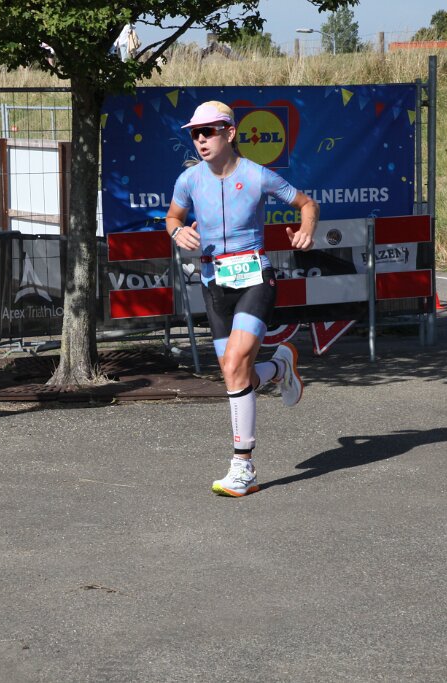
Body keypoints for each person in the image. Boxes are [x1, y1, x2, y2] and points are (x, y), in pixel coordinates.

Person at [165, 101, 319, 497]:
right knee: (237, 375)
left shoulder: (257, 175)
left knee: (234, 365)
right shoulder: (189, 180)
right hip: (214, 283)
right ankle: (280, 368)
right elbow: (173, 217)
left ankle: (243, 466)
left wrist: (306, 229)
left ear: (230, 133)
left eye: (208, 131)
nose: (200, 139)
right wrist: (177, 232)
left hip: (255, 279)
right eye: (195, 134)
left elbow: (307, 204)